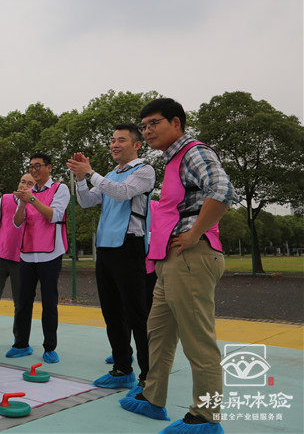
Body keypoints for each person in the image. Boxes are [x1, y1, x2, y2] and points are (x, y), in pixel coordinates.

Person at [120, 98, 234, 434]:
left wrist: (195, 233)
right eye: (144, 126)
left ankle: (206, 418)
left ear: (176, 123)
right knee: (158, 332)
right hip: (170, 260)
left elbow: (222, 190)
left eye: (154, 123)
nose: (147, 131)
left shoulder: (193, 152)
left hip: (191, 257)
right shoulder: (173, 161)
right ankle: (152, 397)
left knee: (198, 340)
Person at [67, 123, 156, 390]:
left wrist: (89, 173)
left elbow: (121, 193)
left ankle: (149, 377)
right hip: (105, 250)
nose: (115, 144)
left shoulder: (144, 171)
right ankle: (122, 369)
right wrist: (80, 178)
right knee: (112, 313)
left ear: (137, 145)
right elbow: (86, 201)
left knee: (137, 315)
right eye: (113, 140)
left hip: (129, 247)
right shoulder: (109, 174)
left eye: (121, 140)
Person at [7, 153, 69, 364]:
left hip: (50, 253)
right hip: (27, 253)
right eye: (31, 166)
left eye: (38, 166)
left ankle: (50, 347)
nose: (33, 170)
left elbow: (54, 216)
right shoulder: (28, 193)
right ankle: (21, 344)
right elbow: (17, 222)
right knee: (23, 301)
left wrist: (31, 200)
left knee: (49, 302)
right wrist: (22, 203)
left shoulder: (60, 189)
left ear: (49, 167)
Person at [0, 172, 34, 346]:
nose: (24, 185)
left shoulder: (35, 204)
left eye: (29, 183)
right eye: (22, 181)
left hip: (22, 259)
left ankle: (19, 339)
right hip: (0, 255)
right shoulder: (5, 199)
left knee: (20, 303)